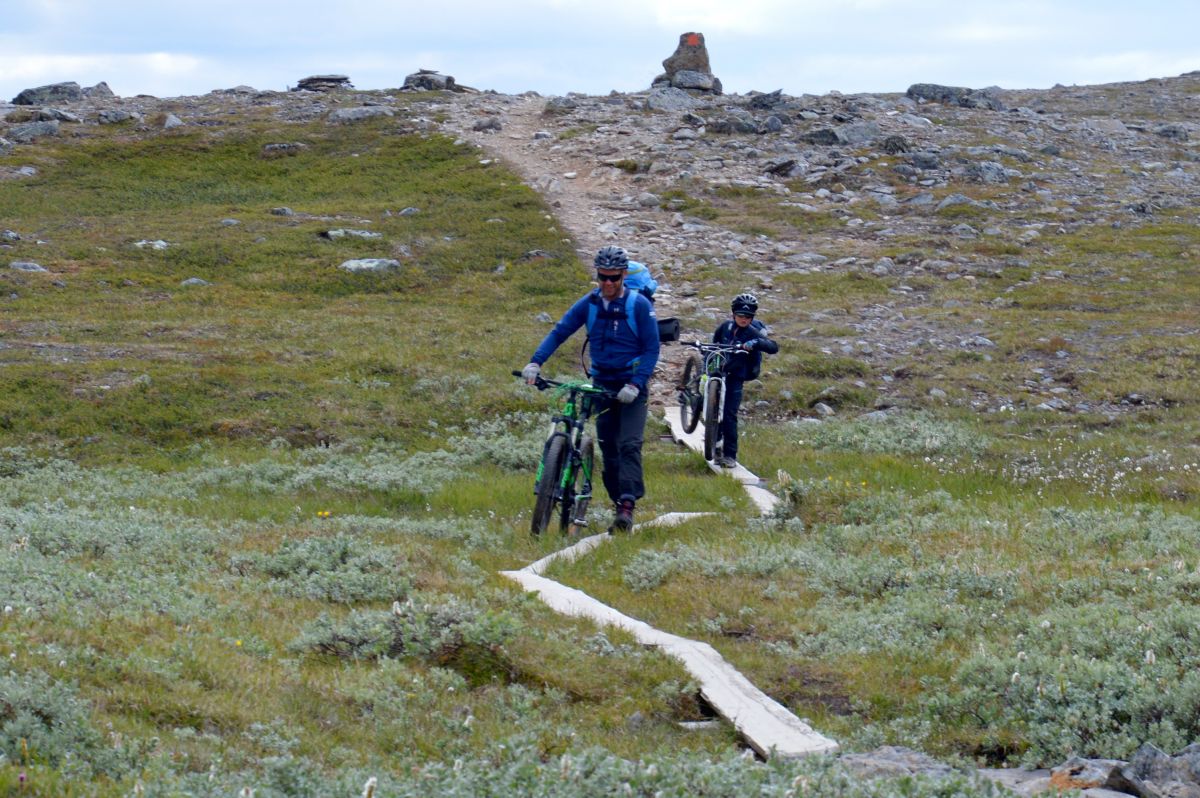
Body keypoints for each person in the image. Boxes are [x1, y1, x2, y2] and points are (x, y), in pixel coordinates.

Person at [522, 246, 660, 532]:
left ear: (623, 276)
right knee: (609, 447)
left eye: (614, 278)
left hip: (631, 386)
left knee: (629, 445)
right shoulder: (590, 303)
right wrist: (535, 363)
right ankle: (616, 503)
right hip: (603, 384)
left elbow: (651, 348)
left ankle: (627, 504)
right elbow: (560, 331)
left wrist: (635, 384)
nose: (608, 283)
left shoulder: (639, 306)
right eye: (602, 277)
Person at [711, 292, 778, 468]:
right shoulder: (725, 327)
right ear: (734, 313)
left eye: (748, 316)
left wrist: (755, 343)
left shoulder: (752, 332)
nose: (744, 319)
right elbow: (714, 345)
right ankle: (713, 436)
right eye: (741, 315)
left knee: (729, 414)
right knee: (709, 402)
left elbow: (773, 347)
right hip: (718, 370)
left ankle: (730, 455)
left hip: (736, 375)